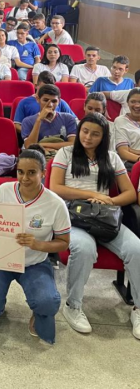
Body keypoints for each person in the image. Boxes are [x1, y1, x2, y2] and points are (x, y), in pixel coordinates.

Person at [50, 114, 140, 339]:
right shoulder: (66, 153)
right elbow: (56, 187)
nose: (88, 137)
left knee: (137, 249)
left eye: (95, 134)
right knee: (84, 248)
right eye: (85, 131)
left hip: (104, 216)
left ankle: (138, 309)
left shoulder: (111, 158)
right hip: (74, 215)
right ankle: (73, 306)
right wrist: (91, 195)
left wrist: (108, 200)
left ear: (104, 137)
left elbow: (129, 193)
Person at [0, 149, 70, 345]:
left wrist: (38, 244)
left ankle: (38, 309)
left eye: (32, 173)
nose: (25, 178)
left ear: (43, 173)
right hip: (1, 259)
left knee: (47, 304)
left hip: (34, 262)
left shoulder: (56, 204)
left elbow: (64, 242)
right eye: (20, 172)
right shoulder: (3, 191)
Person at [21, 84, 77, 150]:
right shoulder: (27, 121)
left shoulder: (68, 118)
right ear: (38, 99)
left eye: (54, 101)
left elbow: (73, 144)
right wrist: (38, 120)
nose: (50, 105)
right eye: (46, 100)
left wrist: (41, 144)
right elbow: (29, 146)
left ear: (59, 101)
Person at [115, 88, 140, 170]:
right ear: (127, 103)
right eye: (133, 102)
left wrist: (132, 150)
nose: (137, 105)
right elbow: (123, 152)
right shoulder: (121, 121)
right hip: (131, 164)